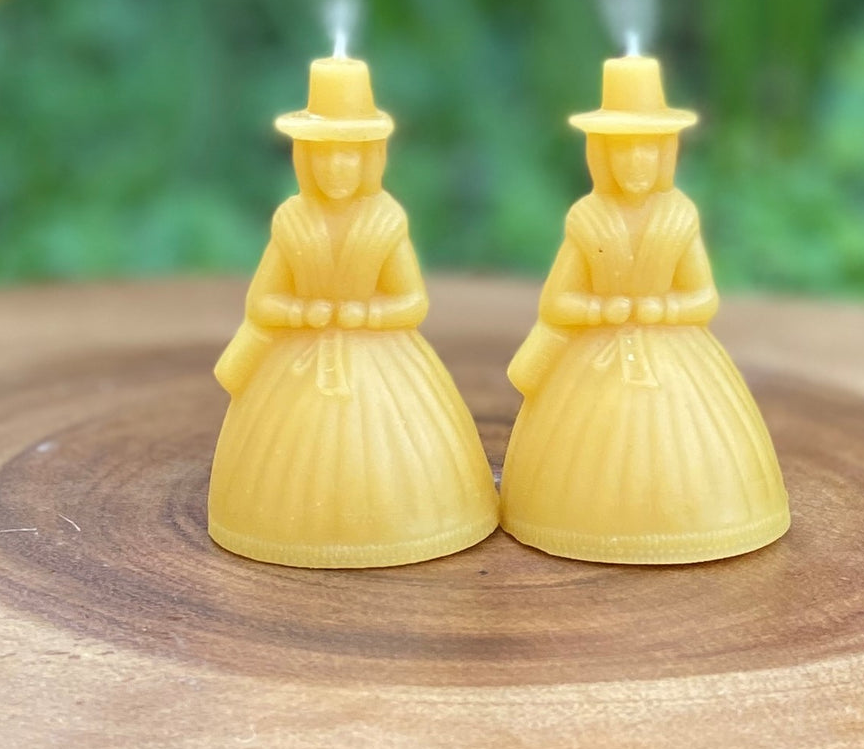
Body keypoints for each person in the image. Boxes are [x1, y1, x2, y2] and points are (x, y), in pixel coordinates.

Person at [208, 57, 498, 567]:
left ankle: (402, 515)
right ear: (304, 159)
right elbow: (262, 301)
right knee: (283, 465)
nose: (337, 169)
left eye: (350, 157)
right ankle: (290, 520)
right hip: (295, 366)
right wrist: (303, 313)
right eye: (325, 156)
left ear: (371, 159)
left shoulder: (385, 218)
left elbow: (413, 301)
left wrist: (365, 315)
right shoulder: (292, 219)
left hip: (385, 365)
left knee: (395, 453)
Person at [500, 55, 790, 563]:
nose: (636, 165)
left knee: (689, 445)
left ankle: (689, 515)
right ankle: (579, 513)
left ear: (667, 155)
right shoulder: (587, 217)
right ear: (601, 157)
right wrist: (601, 309)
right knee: (578, 460)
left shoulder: (679, 215)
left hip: (678, 357)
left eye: (647, 153)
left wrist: (659, 307)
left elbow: (704, 297)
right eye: (623, 154)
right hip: (591, 359)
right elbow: (556, 300)